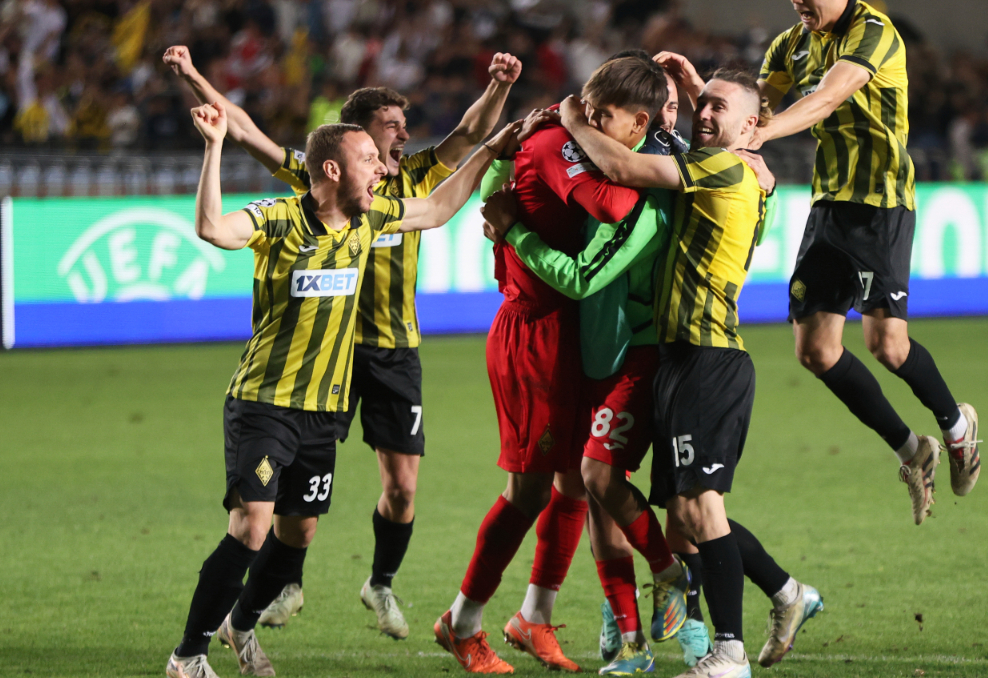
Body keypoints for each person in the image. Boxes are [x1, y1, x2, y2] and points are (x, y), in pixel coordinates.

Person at [163, 45, 522, 636]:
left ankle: (377, 583)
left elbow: (460, 155)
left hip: (392, 347)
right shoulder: (318, 183)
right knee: (282, 515)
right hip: (319, 360)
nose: (403, 136)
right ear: (348, 147)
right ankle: (280, 587)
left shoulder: (404, 186)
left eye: (405, 127)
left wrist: (498, 95)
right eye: (391, 128)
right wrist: (198, 85)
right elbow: (245, 131)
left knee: (399, 489)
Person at [555, 66, 824, 678]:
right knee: (684, 520)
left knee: (701, 508)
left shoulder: (727, 168)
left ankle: (728, 653)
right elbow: (703, 142)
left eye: (716, 108)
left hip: (710, 358)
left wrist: (573, 119)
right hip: (680, 358)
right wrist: (705, 90)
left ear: (752, 127)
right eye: (700, 104)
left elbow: (623, 168)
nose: (703, 113)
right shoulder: (739, 170)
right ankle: (786, 593)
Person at [432, 56, 670, 675]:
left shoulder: (567, 139)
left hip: (570, 334)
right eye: (585, 108)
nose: (587, 122)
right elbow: (615, 203)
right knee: (530, 489)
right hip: (532, 334)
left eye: (601, 116)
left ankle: (534, 616)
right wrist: (616, 152)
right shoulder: (557, 142)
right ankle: (462, 622)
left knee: (571, 484)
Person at [751, 0, 980, 523]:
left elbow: (827, 98)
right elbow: (753, 101)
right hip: (829, 204)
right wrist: (704, 96)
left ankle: (957, 428)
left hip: (881, 203)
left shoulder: (873, 32)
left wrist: (763, 133)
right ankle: (912, 448)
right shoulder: (790, 45)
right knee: (815, 351)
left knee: (887, 345)